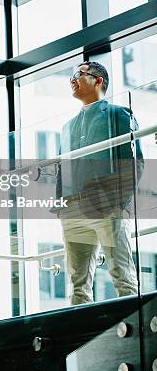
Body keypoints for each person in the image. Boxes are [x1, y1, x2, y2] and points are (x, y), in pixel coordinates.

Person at [56, 61, 143, 305]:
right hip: (73, 209)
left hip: (108, 205)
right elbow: (62, 169)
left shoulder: (118, 114)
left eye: (79, 74)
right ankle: (83, 339)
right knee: (78, 284)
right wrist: (61, 205)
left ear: (98, 80)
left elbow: (135, 162)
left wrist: (119, 202)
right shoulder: (67, 126)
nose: (73, 79)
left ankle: (132, 338)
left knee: (122, 275)